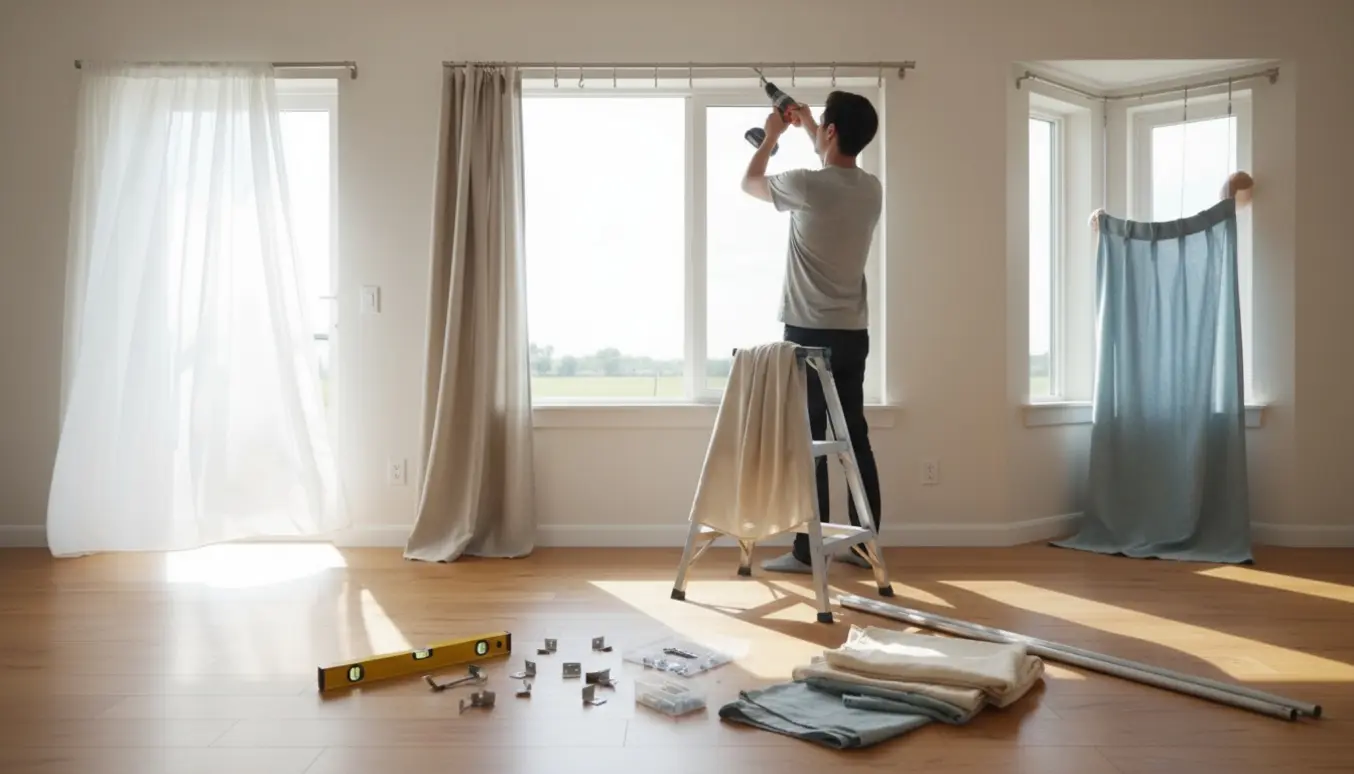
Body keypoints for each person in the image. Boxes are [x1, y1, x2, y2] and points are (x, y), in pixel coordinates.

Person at [739, 91, 883, 574]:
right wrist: (808, 125)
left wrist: (772, 136)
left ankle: (807, 552)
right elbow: (833, 166)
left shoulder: (804, 184)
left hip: (806, 333)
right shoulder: (871, 189)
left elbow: (750, 182)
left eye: (823, 122)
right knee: (854, 438)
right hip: (852, 333)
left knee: (811, 443)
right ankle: (865, 546)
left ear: (831, 130)